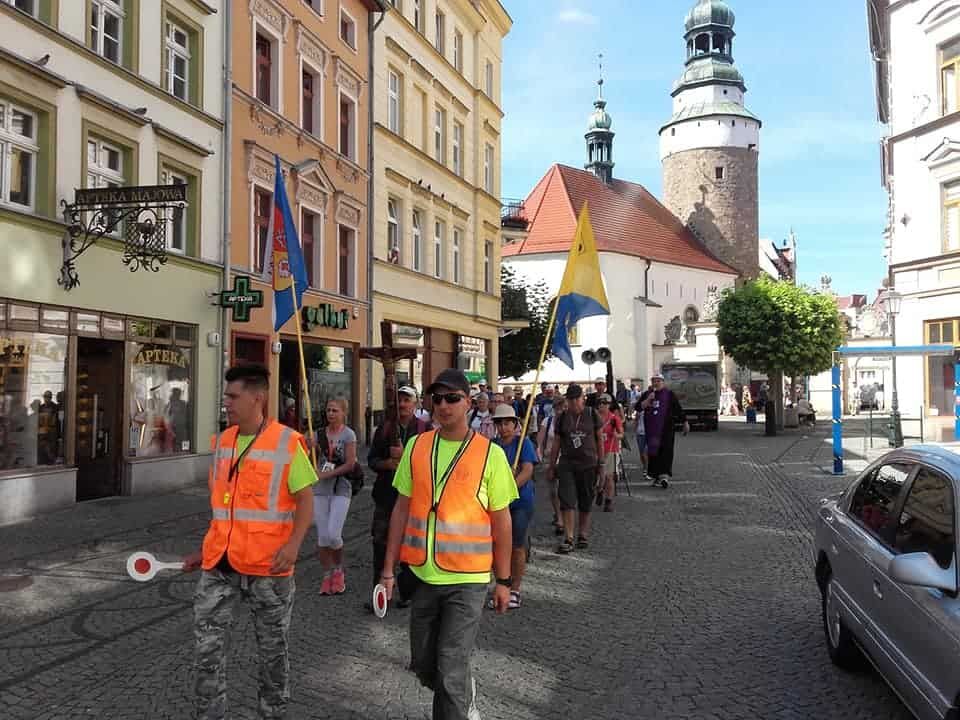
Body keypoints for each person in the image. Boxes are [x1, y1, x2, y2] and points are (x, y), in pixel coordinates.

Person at [380, 368, 517, 720]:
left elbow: (502, 523)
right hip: (423, 575)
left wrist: (504, 581)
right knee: (426, 667)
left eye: (452, 398)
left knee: (450, 670)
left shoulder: (491, 455)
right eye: (437, 398)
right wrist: (387, 570)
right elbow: (401, 508)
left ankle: (459, 696)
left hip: (468, 581)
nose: (443, 405)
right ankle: (464, 690)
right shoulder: (417, 445)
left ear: (468, 403)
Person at [183, 363, 317, 720]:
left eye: (233, 396)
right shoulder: (223, 442)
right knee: (206, 651)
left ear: (257, 397)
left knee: (272, 653)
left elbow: (306, 500)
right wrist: (206, 547)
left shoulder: (287, 443)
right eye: (226, 396)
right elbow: (223, 506)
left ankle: (271, 713)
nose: (226, 402)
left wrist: (293, 546)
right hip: (219, 563)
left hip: (268, 566)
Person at [367, 386, 429, 610]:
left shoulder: (425, 429)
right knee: (380, 543)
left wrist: (405, 460)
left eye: (407, 400)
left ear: (415, 403)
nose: (402, 404)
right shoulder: (384, 428)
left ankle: (406, 591)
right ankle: (380, 592)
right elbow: (372, 460)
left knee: (409, 545)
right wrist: (388, 464)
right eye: (399, 400)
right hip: (385, 496)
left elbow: (429, 464)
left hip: (413, 498)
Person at [546, 384, 603, 554]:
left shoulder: (592, 414)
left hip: (589, 464)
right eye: (569, 400)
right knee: (567, 500)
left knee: (585, 500)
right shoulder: (562, 417)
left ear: (582, 398)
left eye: (575, 399)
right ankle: (569, 537)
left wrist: (601, 464)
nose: (572, 403)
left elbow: (599, 439)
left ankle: (583, 534)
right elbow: (556, 443)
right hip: (567, 465)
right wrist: (551, 465)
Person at [491, 404, 537, 610]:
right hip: (496, 505)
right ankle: (502, 585)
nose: (503, 427)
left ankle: (515, 590)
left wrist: (510, 490)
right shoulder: (491, 446)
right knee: (497, 546)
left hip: (520, 503)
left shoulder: (523, 443)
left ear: (515, 424)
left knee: (517, 546)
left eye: (507, 423)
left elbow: (527, 470)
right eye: (499, 423)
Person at [313, 396, 358, 595]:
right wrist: (308, 448)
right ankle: (327, 574)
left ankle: (338, 569)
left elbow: (350, 464)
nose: (330, 414)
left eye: (335, 411)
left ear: (343, 413)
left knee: (333, 534)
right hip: (320, 489)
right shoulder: (318, 434)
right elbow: (309, 456)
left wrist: (327, 473)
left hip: (341, 487)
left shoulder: (349, 435)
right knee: (322, 537)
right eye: (328, 410)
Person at [639, 374, 688, 489]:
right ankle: (657, 478)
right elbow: (638, 407)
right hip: (652, 430)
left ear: (663, 382)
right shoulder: (647, 394)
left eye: (658, 381)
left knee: (666, 452)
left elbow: (678, 409)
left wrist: (685, 422)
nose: (656, 383)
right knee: (654, 454)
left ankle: (664, 476)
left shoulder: (669, 394)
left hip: (667, 430)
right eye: (654, 381)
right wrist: (648, 399)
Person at [537, 396, 566, 536]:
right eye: (558, 407)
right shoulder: (547, 421)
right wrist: (539, 453)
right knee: (553, 490)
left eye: (563, 407)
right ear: (554, 408)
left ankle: (562, 518)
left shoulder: (570, 421)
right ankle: (558, 514)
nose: (560, 410)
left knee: (563, 489)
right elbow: (540, 440)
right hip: (550, 460)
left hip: (566, 460)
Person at [596, 394, 624, 512]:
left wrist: (617, 435)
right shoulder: (594, 417)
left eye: (604, 403)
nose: (602, 405)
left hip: (611, 450)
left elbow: (621, 433)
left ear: (609, 405)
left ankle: (608, 501)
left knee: (609, 477)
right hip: (596, 451)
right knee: (597, 476)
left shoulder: (614, 418)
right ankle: (600, 490)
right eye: (600, 403)